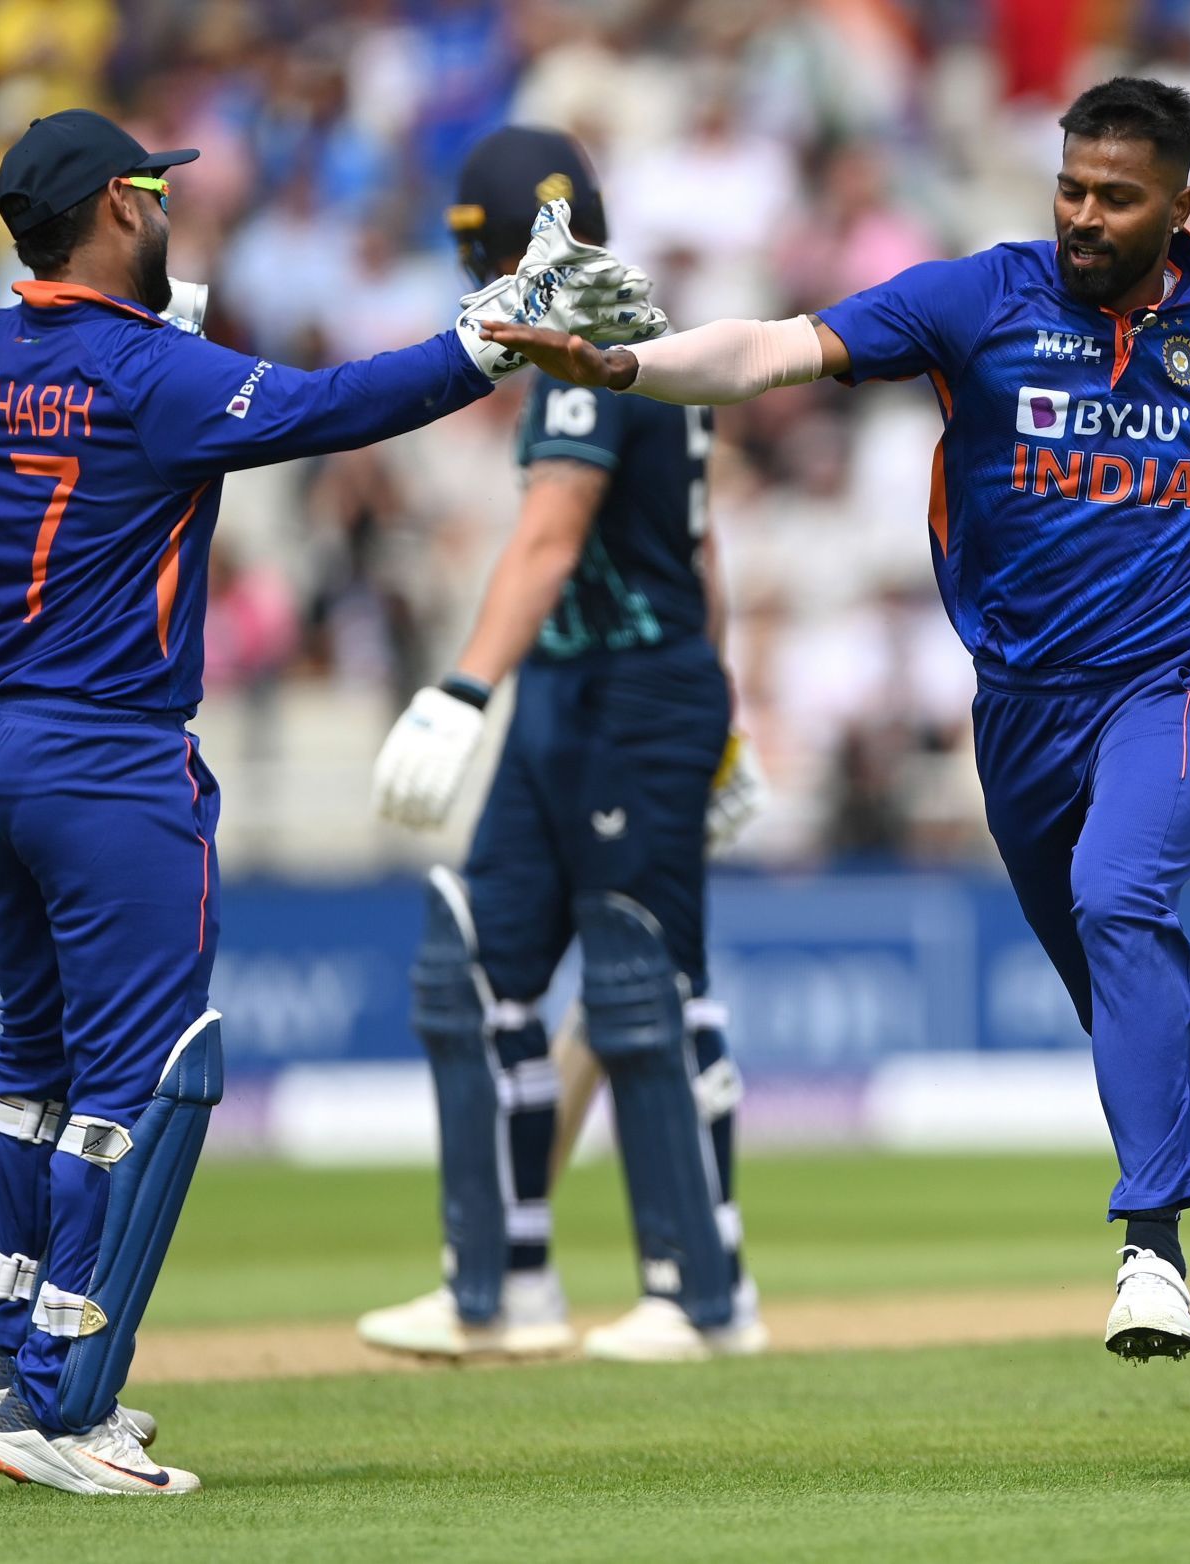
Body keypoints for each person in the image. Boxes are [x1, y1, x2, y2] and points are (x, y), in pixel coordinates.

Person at [484, 78, 1190, 1364]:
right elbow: (771, 348)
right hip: (1018, 713)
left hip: (1179, 689)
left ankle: (1150, 1249)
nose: (1081, 215)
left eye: (1115, 197)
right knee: (1126, 971)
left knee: (1125, 904)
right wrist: (626, 365)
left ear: (1178, 207)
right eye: (1070, 187)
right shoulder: (978, 298)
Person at [0, 108, 659, 1494]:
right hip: (107, 760)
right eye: (153, 187)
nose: (169, 205)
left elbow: (70, 380)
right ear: (118, 212)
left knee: (35, 1060)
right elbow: (327, 412)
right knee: (148, 1074)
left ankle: (5, 1347)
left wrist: (165, 345)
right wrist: (486, 338)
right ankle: (61, 1407)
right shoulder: (156, 377)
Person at [358, 127, 766, 1366]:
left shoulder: (591, 343)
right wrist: (726, 705)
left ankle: (703, 1295)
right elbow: (698, 549)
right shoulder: (628, 332)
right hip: (591, 687)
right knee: (473, 969)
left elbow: (554, 527)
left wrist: (461, 688)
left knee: (644, 984)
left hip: (626, 693)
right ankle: (498, 1286)